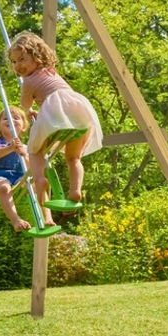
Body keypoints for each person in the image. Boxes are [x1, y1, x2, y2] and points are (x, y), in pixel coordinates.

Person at [7, 31, 102, 226]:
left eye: (22, 59)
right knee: (73, 158)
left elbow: (25, 105)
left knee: (34, 150)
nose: (18, 66)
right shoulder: (51, 70)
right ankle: (76, 190)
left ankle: (41, 179)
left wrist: (30, 106)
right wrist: (40, 112)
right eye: (14, 62)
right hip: (79, 111)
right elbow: (51, 94)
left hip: (56, 113)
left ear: (37, 56)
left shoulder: (28, 81)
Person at [0, 106, 32, 232]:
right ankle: (15, 219)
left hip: (18, 179)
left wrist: (24, 155)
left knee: (36, 183)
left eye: (16, 118)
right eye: (6, 118)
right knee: (4, 187)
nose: (11, 120)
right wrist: (10, 148)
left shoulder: (25, 147)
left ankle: (46, 215)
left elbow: (30, 168)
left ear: (24, 126)